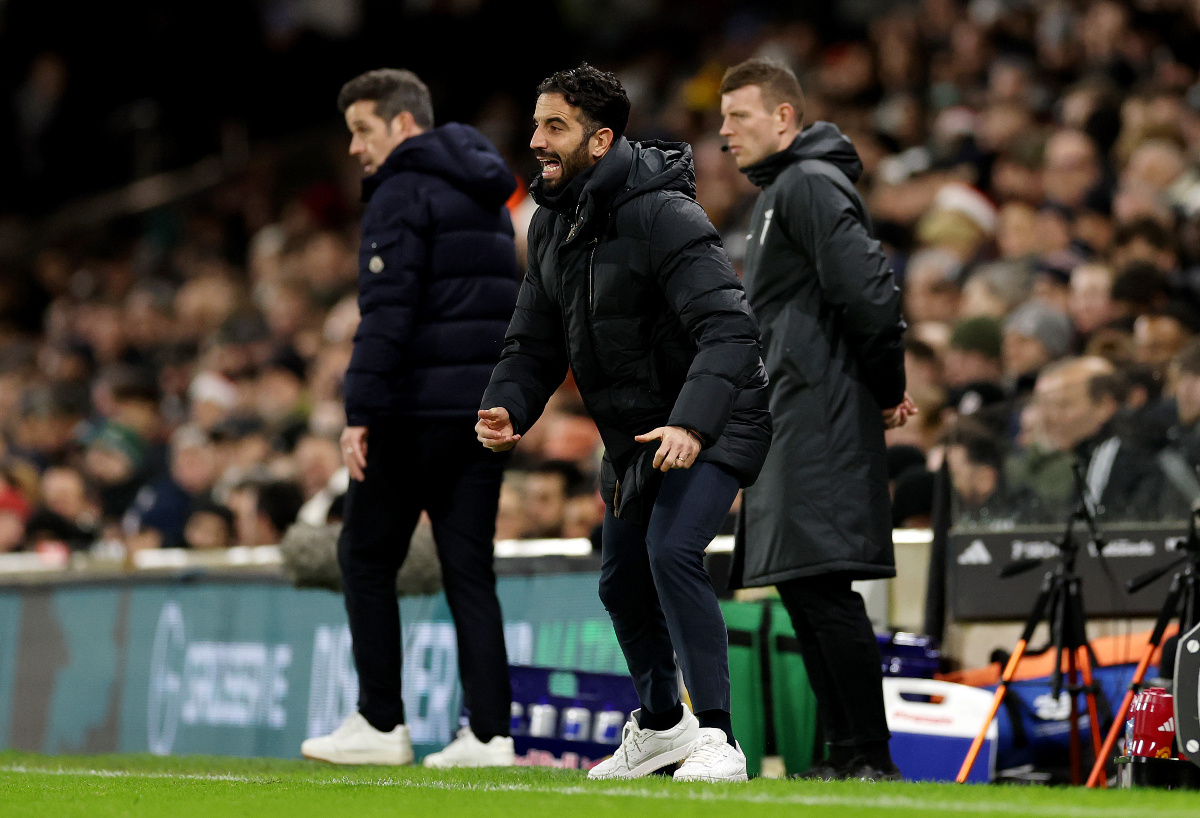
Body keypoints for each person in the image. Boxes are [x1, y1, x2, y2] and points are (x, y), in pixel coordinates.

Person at [477, 63, 771, 783]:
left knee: (671, 552)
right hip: (637, 436)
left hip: (718, 413)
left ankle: (722, 741)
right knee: (619, 582)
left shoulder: (665, 214)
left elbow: (731, 334)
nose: (538, 141)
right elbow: (532, 343)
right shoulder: (552, 224)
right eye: (537, 124)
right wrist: (509, 404)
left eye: (556, 128)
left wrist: (693, 426)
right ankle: (664, 727)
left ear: (601, 140)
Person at [301, 68, 519, 768]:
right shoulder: (485, 187)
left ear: (401, 125)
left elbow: (387, 312)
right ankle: (489, 734)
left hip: (412, 408)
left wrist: (359, 410)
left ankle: (380, 721)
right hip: (478, 408)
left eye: (363, 131)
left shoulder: (401, 188)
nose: (356, 149)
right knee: (468, 572)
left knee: (363, 557)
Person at [717, 58, 912, 781]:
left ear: (783, 118)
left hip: (818, 413)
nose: (724, 132)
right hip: (796, 409)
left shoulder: (807, 184)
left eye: (738, 116)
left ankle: (871, 757)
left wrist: (886, 387)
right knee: (805, 582)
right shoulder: (783, 192)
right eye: (722, 118)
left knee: (822, 584)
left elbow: (869, 291)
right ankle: (846, 753)